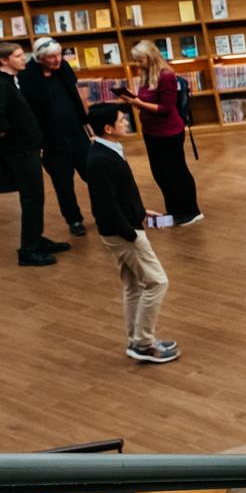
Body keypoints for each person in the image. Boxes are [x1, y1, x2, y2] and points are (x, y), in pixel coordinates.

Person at [82, 102, 176, 364]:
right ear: (108, 128)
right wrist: (132, 234)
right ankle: (144, 343)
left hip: (124, 228)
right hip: (124, 234)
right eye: (122, 120)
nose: (126, 123)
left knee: (134, 286)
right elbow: (105, 205)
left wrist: (141, 212)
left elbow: (120, 194)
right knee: (158, 282)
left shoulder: (109, 150)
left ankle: (137, 340)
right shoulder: (100, 160)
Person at [0, 41, 67, 267]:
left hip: (26, 147)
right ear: (4, 60)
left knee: (35, 197)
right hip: (20, 150)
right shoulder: (0, 84)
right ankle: (28, 250)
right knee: (32, 198)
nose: (24, 59)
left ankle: (36, 240)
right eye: (18, 56)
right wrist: (14, 138)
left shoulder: (10, 79)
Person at [121, 40, 202, 225]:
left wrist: (140, 104)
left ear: (151, 57)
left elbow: (166, 108)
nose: (137, 64)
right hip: (151, 132)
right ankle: (174, 210)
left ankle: (191, 211)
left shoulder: (166, 76)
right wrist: (134, 100)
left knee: (176, 172)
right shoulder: (145, 75)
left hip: (169, 132)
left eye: (140, 60)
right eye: (136, 60)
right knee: (160, 173)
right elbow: (147, 100)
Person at [19, 37, 90, 238]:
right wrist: (36, 142)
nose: (57, 60)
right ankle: (74, 220)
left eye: (59, 55)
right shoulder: (28, 76)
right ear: (40, 58)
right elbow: (29, 113)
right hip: (50, 140)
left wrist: (87, 123)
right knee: (63, 183)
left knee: (93, 174)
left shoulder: (63, 68)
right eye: (51, 57)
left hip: (76, 133)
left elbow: (77, 95)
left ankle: (104, 213)